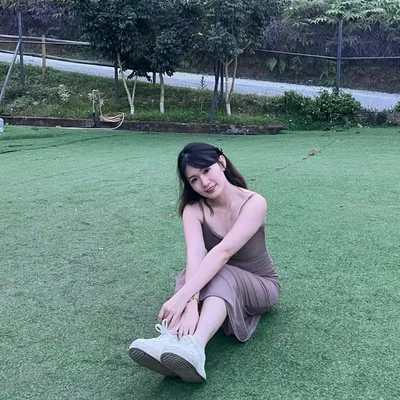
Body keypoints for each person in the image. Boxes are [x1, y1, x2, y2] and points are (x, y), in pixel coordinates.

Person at [129, 142, 280, 383]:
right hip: (221, 273)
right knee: (189, 273)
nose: (204, 182)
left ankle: (196, 346)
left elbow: (223, 252)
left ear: (222, 162)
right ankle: (171, 338)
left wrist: (182, 298)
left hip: (261, 285)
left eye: (207, 170)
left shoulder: (254, 202)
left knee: (220, 272)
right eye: (194, 180)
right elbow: (196, 255)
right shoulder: (193, 210)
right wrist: (190, 305)